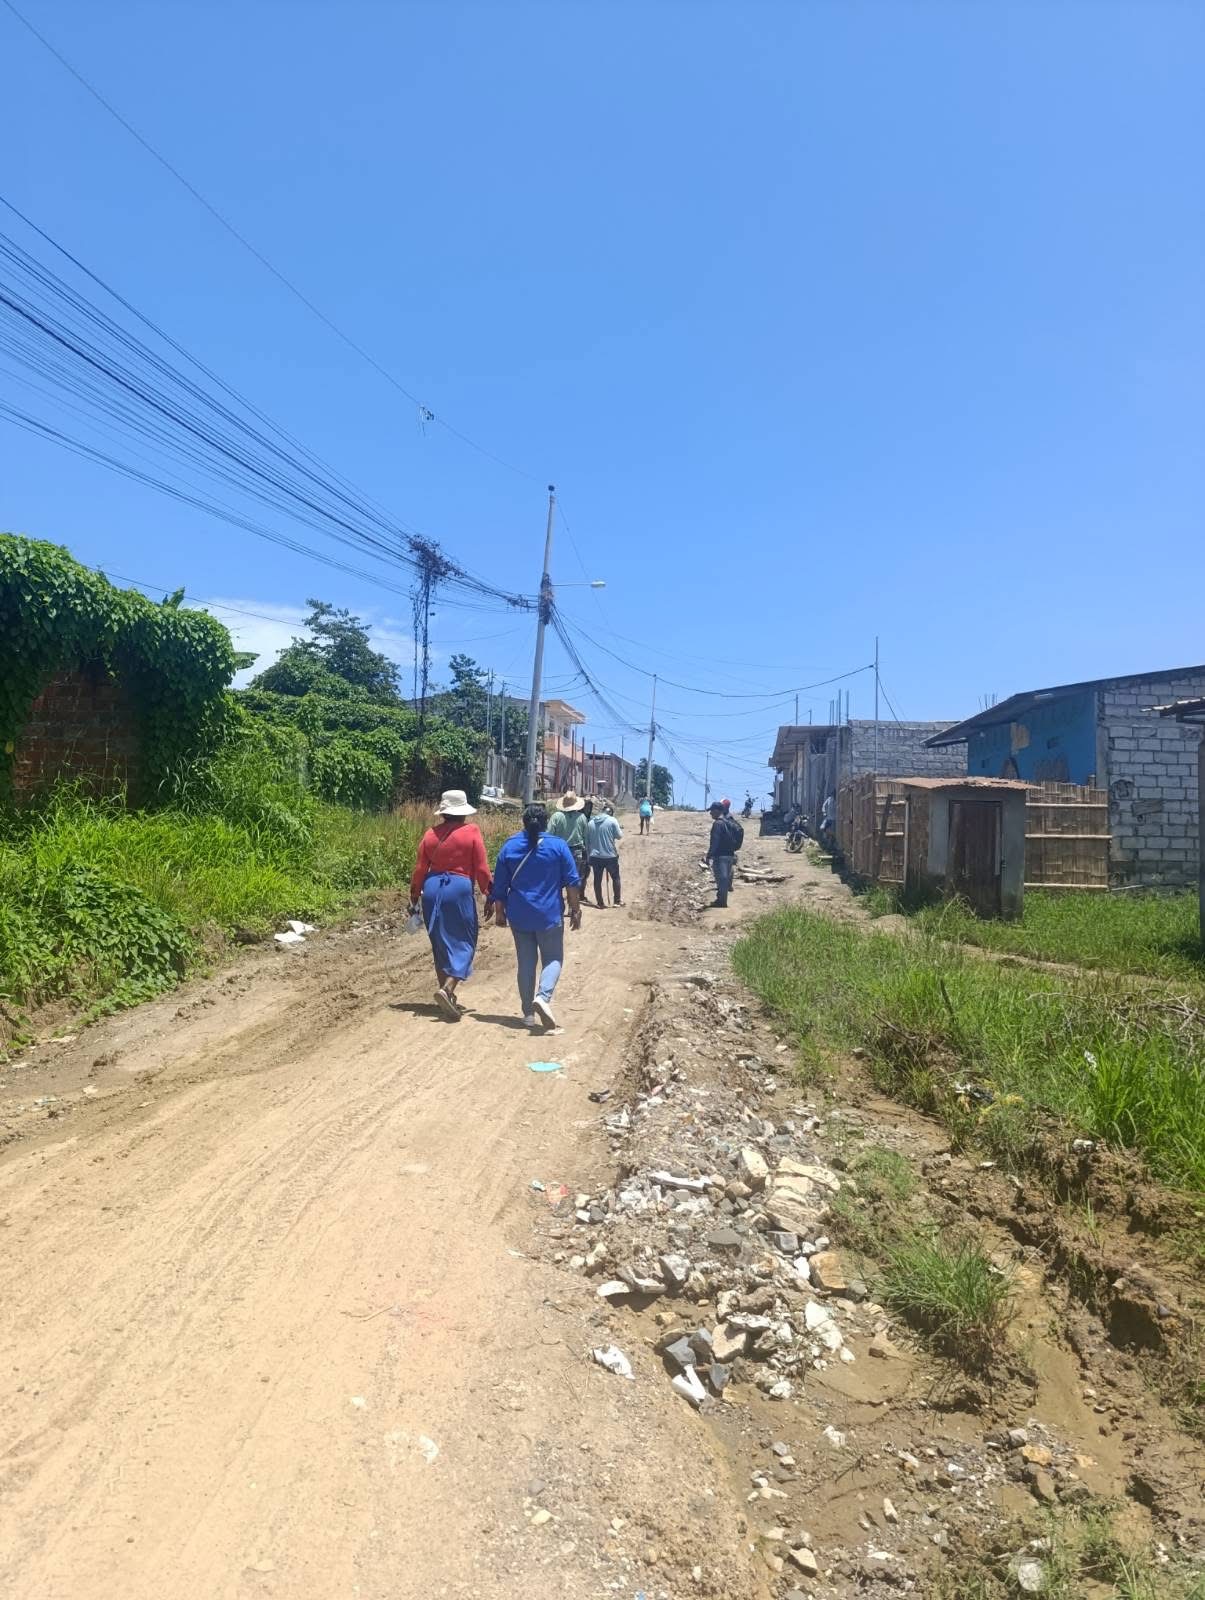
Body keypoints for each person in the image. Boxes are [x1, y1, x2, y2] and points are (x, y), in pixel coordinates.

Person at [489, 803, 582, 1029]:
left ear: (524, 822)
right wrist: (575, 910)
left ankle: (528, 1014)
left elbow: (499, 885)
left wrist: (499, 912)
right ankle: (543, 997)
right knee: (553, 958)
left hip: (519, 914)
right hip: (549, 914)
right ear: (546, 822)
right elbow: (572, 882)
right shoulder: (558, 846)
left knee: (526, 963)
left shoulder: (509, 846)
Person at [408, 788, 493, 1020]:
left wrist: (414, 895)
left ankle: (446, 995)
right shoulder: (471, 832)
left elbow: (419, 869)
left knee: (440, 941)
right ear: (463, 812)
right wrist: (489, 893)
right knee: (466, 940)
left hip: (431, 890)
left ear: (444, 812)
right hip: (459, 889)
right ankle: (448, 988)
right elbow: (481, 867)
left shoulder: (430, 834)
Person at [704, 800, 744, 908]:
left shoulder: (718, 824)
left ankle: (721, 902)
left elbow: (715, 841)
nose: (710, 813)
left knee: (721, 879)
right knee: (724, 878)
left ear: (717, 811)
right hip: (730, 855)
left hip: (720, 855)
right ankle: (721, 900)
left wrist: (709, 855)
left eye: (712, 811)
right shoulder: (729, 822)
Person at [586, 800, 624, 907]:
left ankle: (600, 903)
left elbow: (587, 841)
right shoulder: (612, 820)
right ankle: (617, 901)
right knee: (615, 877)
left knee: (597, 879)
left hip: (595, 856)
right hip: (610, 856)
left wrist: (588, 856)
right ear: (610, 812)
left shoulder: (590, 823)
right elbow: (619, 836)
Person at [549, 788, 589, 886]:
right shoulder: (582, 817)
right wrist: (587, 851)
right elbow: (586, 836)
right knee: (574, 879)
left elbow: (549, 834)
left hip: (559, 851)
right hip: (576, 851)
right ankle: (574, 894)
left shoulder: (556, 816)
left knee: (558, 879)